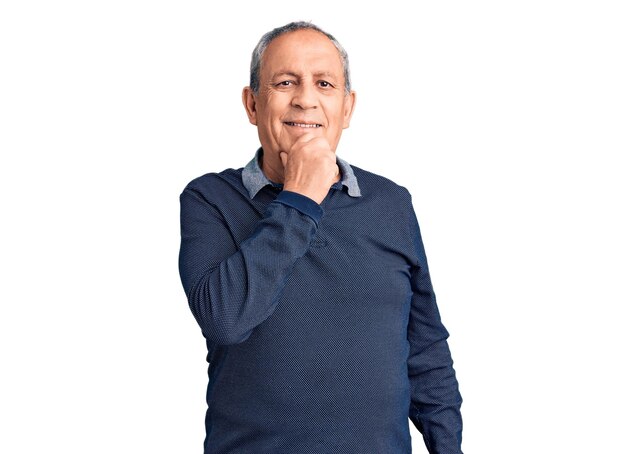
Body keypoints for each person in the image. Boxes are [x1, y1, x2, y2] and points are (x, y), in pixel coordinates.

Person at [178, 21, 463, 454]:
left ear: (346, 108)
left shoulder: (391, 203)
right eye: (285, 82)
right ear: (252, 104)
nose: (305, 98)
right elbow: (225, 319)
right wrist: (300, 197)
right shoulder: (210, 199)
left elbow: (424, 351)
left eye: (324, 83)